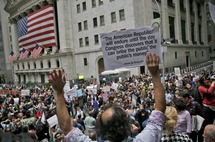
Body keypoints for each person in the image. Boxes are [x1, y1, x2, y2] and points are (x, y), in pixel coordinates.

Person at [48, 53, 166, 142]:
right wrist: (155, 74)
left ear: (102, 129)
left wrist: (58, 92)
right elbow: (160, 110)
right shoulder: (146, 138)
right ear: (127, 124)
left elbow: (66, 128)